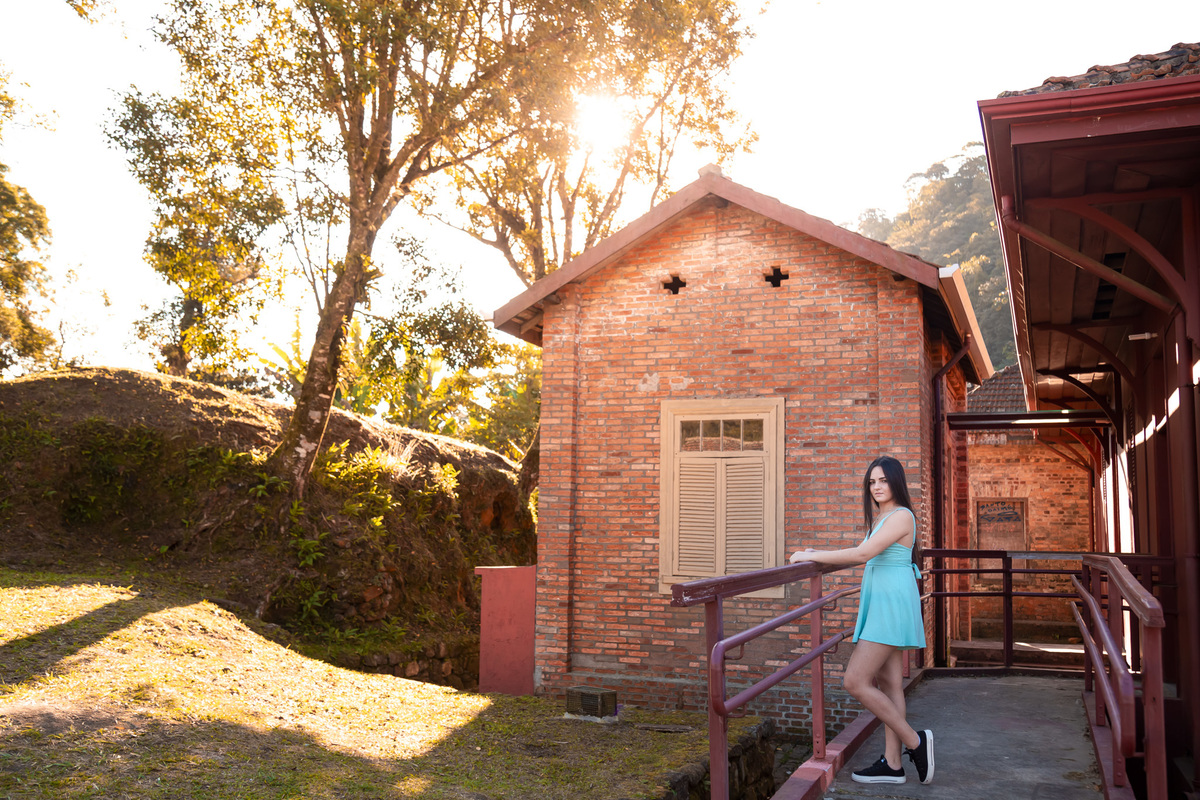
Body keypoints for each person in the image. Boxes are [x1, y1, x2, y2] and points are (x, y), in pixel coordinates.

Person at [788, 455, 934, 785]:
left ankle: (915, 742)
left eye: (883, 480)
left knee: (854, 681)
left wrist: (811, 556)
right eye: (872, 482)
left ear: (896, 482)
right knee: (891, 684)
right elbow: (863, 550)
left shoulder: (901, 516)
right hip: (885, 599)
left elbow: (862, 555)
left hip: (890, 603)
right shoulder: (882, 517)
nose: (877, 487)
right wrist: (818, 554)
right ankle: (893, 765)